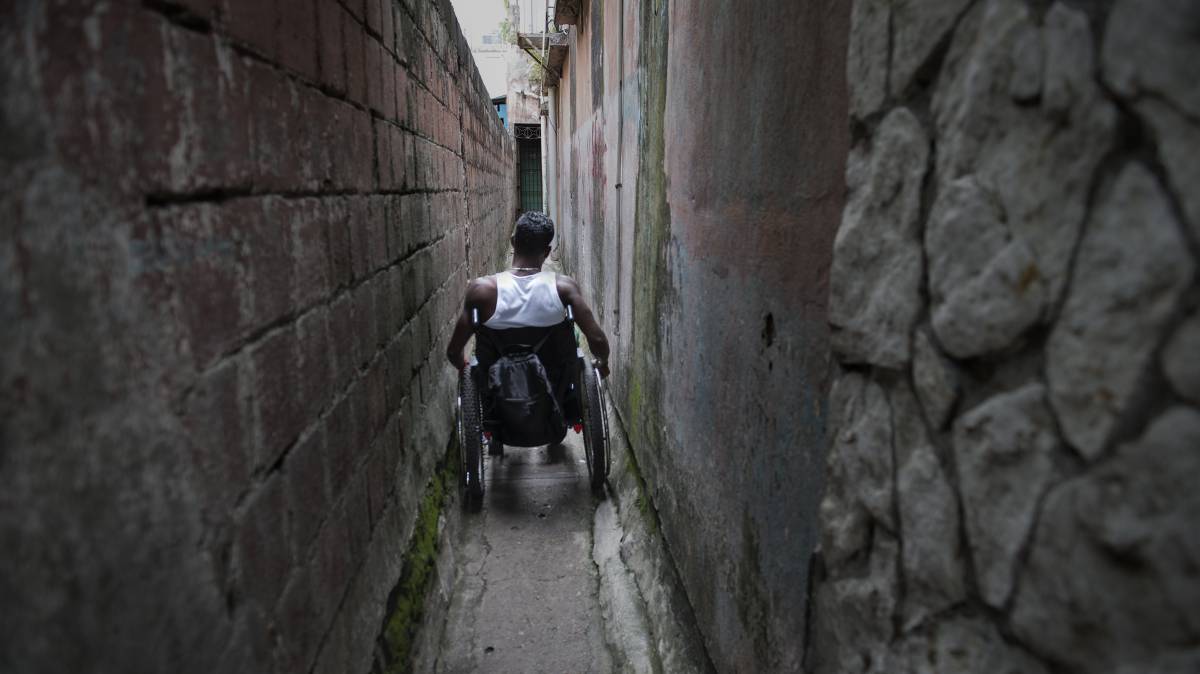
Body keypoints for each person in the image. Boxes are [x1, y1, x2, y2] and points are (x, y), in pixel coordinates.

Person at [445, 211, 610, 378]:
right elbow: (597, 339)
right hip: (555, 386)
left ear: (513, 242)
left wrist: (463, 366)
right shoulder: (564, 288)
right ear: (547, 252)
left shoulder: (482, 291)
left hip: (496, 389)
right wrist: (602, 363)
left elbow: (453, 352)